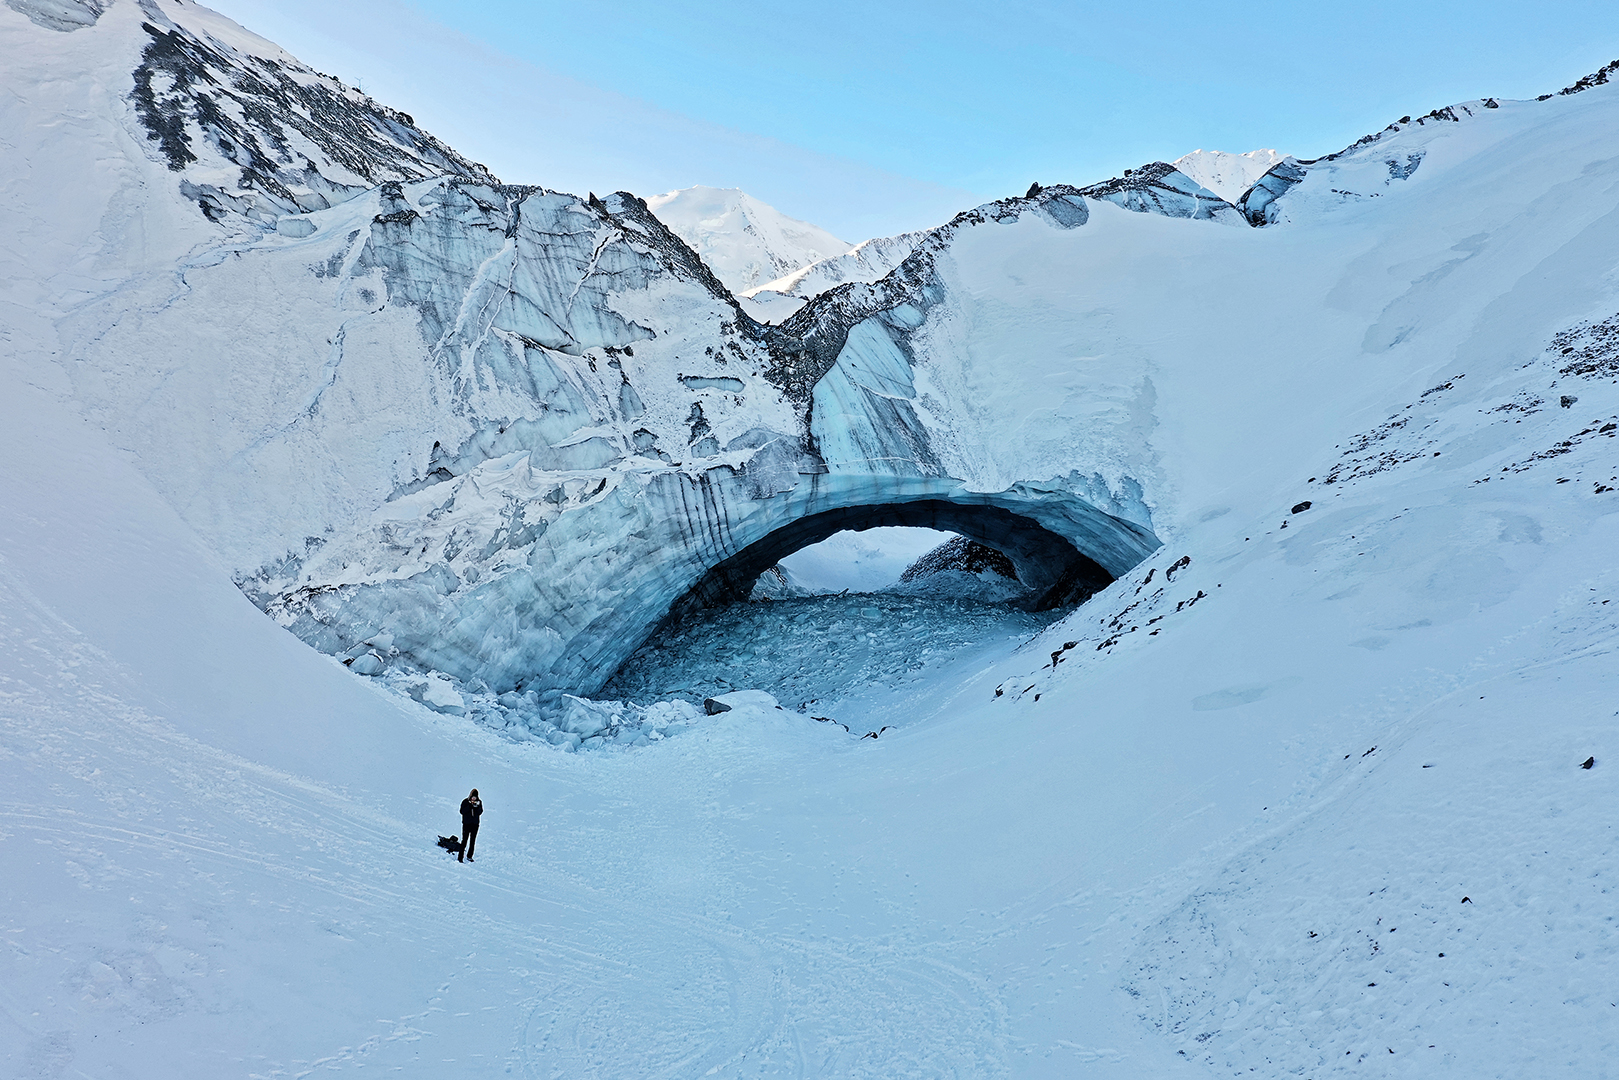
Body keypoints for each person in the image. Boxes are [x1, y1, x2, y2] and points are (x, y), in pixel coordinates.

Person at [458, 788, 482, 862]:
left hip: (475, 824)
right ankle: (460, 857)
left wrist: (476, 806)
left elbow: (480, 812)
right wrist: (469, 806)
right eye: (473, 797)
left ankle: (469, 856)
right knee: (464, 840)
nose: (474, 798)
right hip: (466, 824)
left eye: (475, 797)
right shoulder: (465, 802)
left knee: (472, 841)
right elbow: (462, 811)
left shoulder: (479, 802)